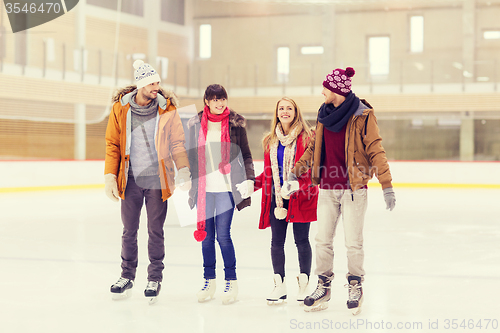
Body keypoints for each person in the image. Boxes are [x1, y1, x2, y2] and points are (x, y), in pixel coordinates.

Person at [283, 67, 396, 314]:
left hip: (353, 189)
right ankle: (323, 286)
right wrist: (296, 170)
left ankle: (355, 285)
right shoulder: (324, 115)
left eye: (325, 88)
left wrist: (386, 185)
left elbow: (376, 149)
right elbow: (313, 149)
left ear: (335, 90)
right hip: (326, 188)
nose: (322, 91)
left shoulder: (363, 115)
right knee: (322, 240)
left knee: (353, 243)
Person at [104, 59, 191, 304]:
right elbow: (112, 144)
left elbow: (176, 143)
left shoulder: (167, 109)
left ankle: (154, 278)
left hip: (157, 179)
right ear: (141, 84)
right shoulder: (120, 108)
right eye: (152, 83)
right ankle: (126, 276)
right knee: (129, 231)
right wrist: (110, 176)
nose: (157, 87)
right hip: (130, 179)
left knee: (155, 231)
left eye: (158, 82)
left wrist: (183, 169)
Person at [187, 84, 255, 304]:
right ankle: (209, 281)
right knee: (206, 239)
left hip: (226, 188)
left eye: (222, 98)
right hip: (204, 190)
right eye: (214, 99)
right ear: (206, 101)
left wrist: (249, 179)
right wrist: (184, 176)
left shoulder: (235, 123)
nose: (219, 103)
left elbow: (246, 154)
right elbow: (190, 156)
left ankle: (231, 282)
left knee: (223, 236)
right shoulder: (195, 124)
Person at [253, 97, 319, 305]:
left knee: (301, 241)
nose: (285, 111)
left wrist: (300, 184)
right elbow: (268, 173)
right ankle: (279, 285)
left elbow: (316, 169)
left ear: (296, 111)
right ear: (277, 113)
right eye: (281, 108)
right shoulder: (270, 141)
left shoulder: (308, 137)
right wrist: (251, 185)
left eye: (289, 108)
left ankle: (304, 284)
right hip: (277, 198)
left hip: (300, 197)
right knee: (277, 242)